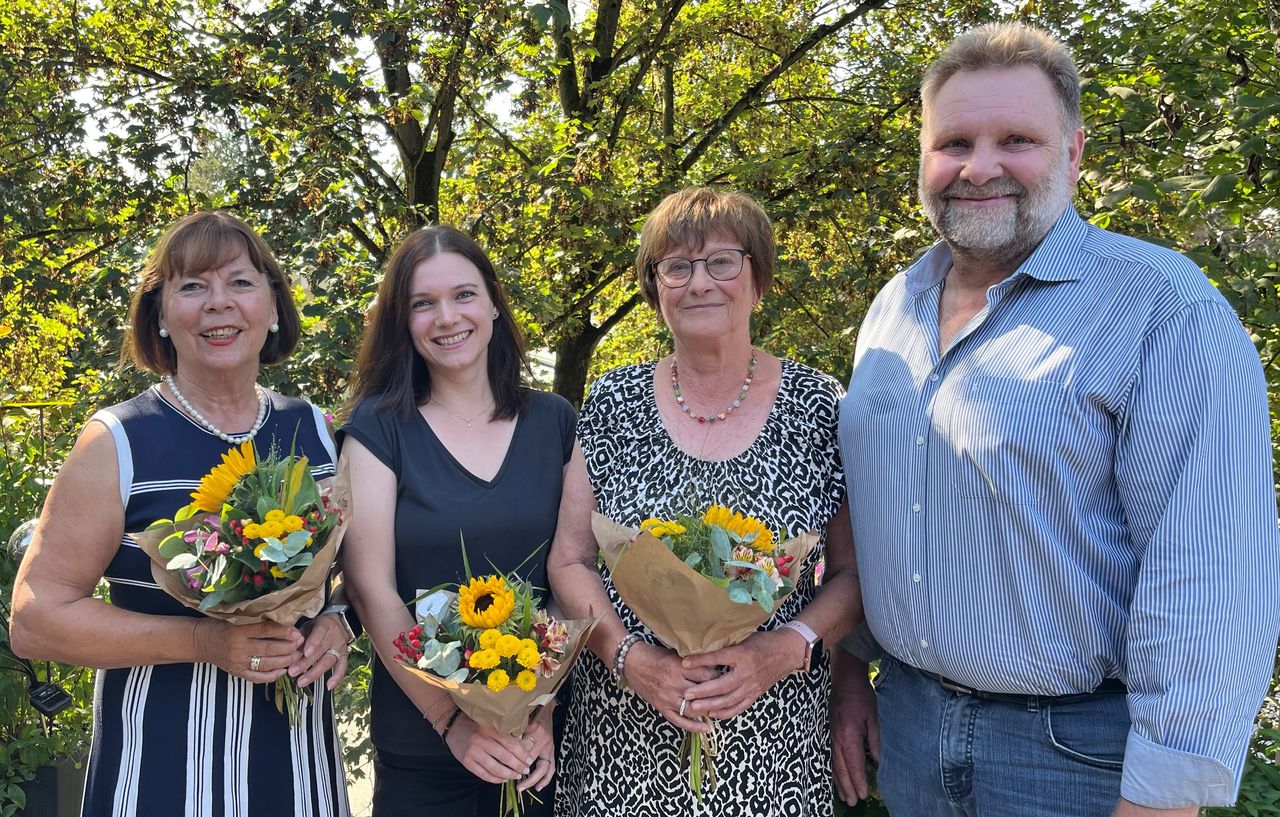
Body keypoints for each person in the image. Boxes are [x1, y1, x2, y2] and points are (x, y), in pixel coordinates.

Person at [833, 21, 1280, 817]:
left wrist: (1164, 797)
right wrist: (849, 668)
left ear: (1073, 154)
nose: (979, 167)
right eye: (954, 142)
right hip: (907, 728)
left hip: (1076, 760)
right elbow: (880, 515)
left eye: (1017, 139)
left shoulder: (1161, 311)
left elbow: (1211, 576)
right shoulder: (892, 308)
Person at [10, 211, 354, 816]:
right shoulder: (117, 439)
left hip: (297, 768)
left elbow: (350, 576)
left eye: (241, 283)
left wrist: (337, 625)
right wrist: (204, 639)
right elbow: (36, 618)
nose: (218, 304)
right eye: (192, 286)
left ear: (274, 307)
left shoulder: (315, 431)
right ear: (161, 317)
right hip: (162, 769)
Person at [547, 186, 861, 816]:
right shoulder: (613, 401)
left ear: (758, 277)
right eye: (676, 266)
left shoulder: (820, 405)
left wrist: (783, 648)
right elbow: (570, 561)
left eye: (723, 261)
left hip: (775, 740)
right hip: (621, 738)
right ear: (655, 285)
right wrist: (629, 657)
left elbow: (854, 575)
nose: (699, 284)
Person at [338, 225, 575, 817]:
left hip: (538, 752)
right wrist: (452, 722)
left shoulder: (556, 422)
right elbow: (372, 590)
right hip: (423, 747)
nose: (447, 318)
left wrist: (541, 714)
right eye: (423, 303)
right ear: (404, 321)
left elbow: (575, 575)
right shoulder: (378, 428)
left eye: (463, 295)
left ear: (493, 302)